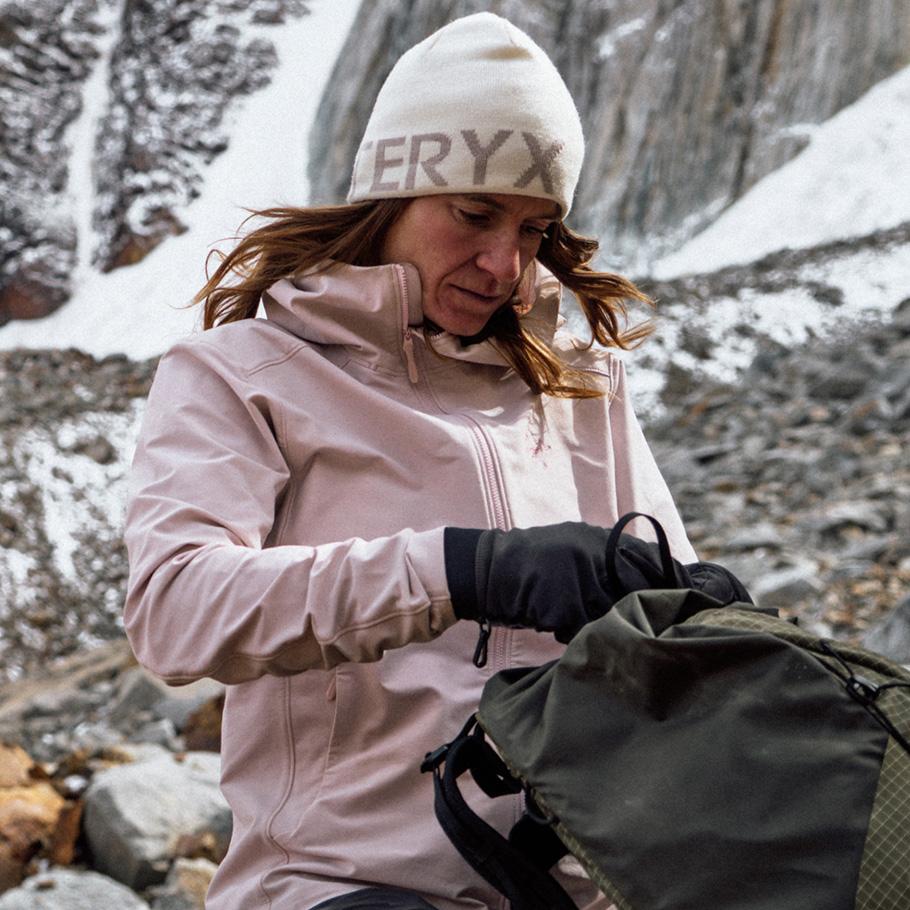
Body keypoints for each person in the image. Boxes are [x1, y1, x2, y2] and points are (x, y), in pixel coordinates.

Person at [124, 13, 745, 910]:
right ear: (390, 194)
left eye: (534, 229)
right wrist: (459, 570)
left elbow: (664, 656)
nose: (503, 263)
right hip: (344, 883)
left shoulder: (582, 387)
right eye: (473, 212)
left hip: (583, 884)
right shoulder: (239, 374)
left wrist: (707, 622)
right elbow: (175, 610)